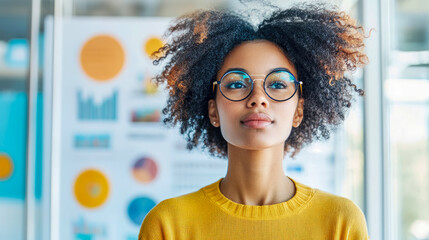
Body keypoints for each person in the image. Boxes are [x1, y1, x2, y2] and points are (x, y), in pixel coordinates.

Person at [139, 2, 370, 239]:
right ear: (213, 112)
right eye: (237, 84)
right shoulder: (168, 224)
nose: (258, 98)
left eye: (278, 84)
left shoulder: (340, 221)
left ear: (298, 111)